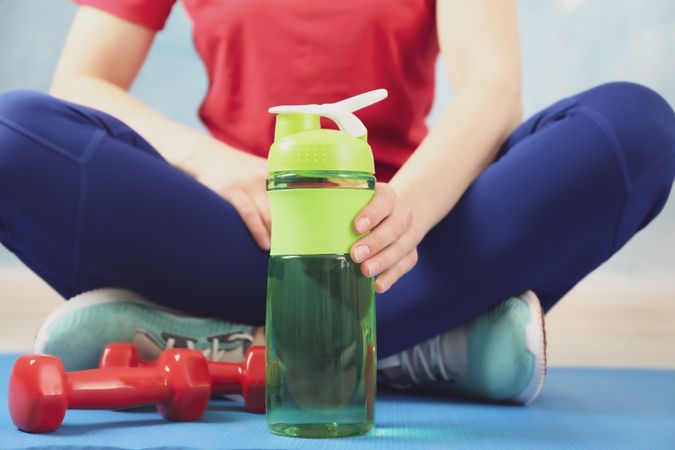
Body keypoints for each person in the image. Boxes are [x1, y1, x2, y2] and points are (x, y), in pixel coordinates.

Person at [0, 0, 673, 405]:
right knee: (11, 137)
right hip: (242, 230)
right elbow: (82, 81)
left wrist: (404, 212)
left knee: (632, 128)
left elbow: (490, 88)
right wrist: (220, 167)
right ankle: (421, 341)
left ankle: (247, 345)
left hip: (402, 242)